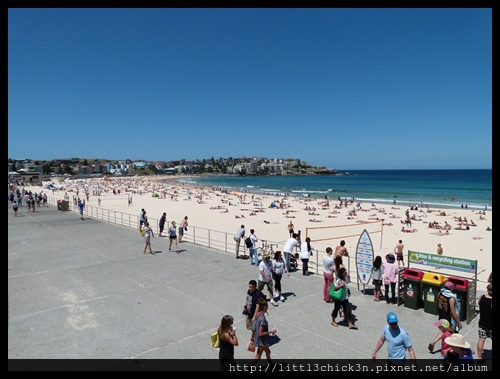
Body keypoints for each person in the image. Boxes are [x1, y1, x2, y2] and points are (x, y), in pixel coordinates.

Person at [250, 298, 277, 366]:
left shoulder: (257, 315)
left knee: (268, 351)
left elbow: (253, 328)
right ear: (264, 307)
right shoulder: (262, 319)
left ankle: (271, 365)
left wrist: (252, 338)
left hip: (260, 339)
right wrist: (271, 331)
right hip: (261, 341)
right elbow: (260, 333)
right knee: (258, 356)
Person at [476, 283, 492, 363]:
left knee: (481, 340)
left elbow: (479, 305)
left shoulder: (481, 297)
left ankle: (479, 357)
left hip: (482, 323)